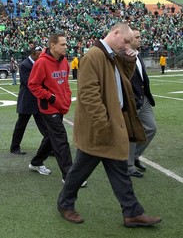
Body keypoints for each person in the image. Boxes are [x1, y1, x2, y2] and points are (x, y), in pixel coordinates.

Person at [57, 23, 161, 227]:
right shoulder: (93, 56)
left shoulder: (111, 55)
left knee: (119, 170)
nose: (128, 45)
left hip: (110, 124)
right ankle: (65, 204)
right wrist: (103, 125)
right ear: (115, 33)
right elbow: (88, 95)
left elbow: (124, 81)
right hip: (100, 128)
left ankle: (132, 212)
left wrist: (130, 61)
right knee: (80, 172)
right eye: (126, 40)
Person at [28, 34, 86, 185]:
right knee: (61, 140)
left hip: (60, 106)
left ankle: (36, 162)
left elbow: (64, 83)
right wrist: (51, 97)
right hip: (48, 108)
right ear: (52, 45)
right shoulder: (41, 63)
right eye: (63, 44)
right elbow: (33, 85)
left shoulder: (65, 63)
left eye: (66, 44)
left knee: (51, 137)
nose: (66, 47)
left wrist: (66, 96)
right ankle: (69, 176)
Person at [127, 27, 157, 178]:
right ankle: (129, 165)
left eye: (139, 36)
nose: (140, 39)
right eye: (137, 37)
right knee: (132, 133)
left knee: (151, 128)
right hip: (132, 100)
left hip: (143, 98)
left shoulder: (138, 55)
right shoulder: (123, 55)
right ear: (129, 39)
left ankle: (135, 156)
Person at [9, 46, 43, 155]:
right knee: (21, 125)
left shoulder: (39, 63)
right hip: (27, 100)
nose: (40, 57)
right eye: (38, 55)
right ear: (33, 55)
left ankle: (50, 147)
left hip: (37, 99)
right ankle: (14, 147)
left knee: (44, 126)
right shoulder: (25, 65)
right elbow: (29, 82)